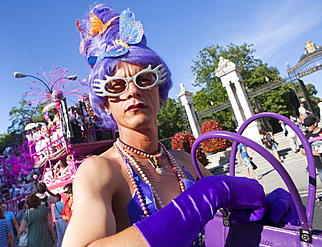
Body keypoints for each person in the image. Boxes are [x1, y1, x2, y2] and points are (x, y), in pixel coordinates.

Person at [62, 4, 299, 246]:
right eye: (116, 85)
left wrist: (267, 211)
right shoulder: (99, 171)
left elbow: (235, 216)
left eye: (144, 79)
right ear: (104, 104)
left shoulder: (184, 161)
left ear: (160, 92)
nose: (132, 90)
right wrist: (201, 199)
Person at [301, 116, 322, 182]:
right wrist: (313, 153)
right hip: (319, 164)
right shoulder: (307, 136)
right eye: (305, 126)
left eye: (309, 125)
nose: (307, 127)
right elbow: (303, 151)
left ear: (315, 123)